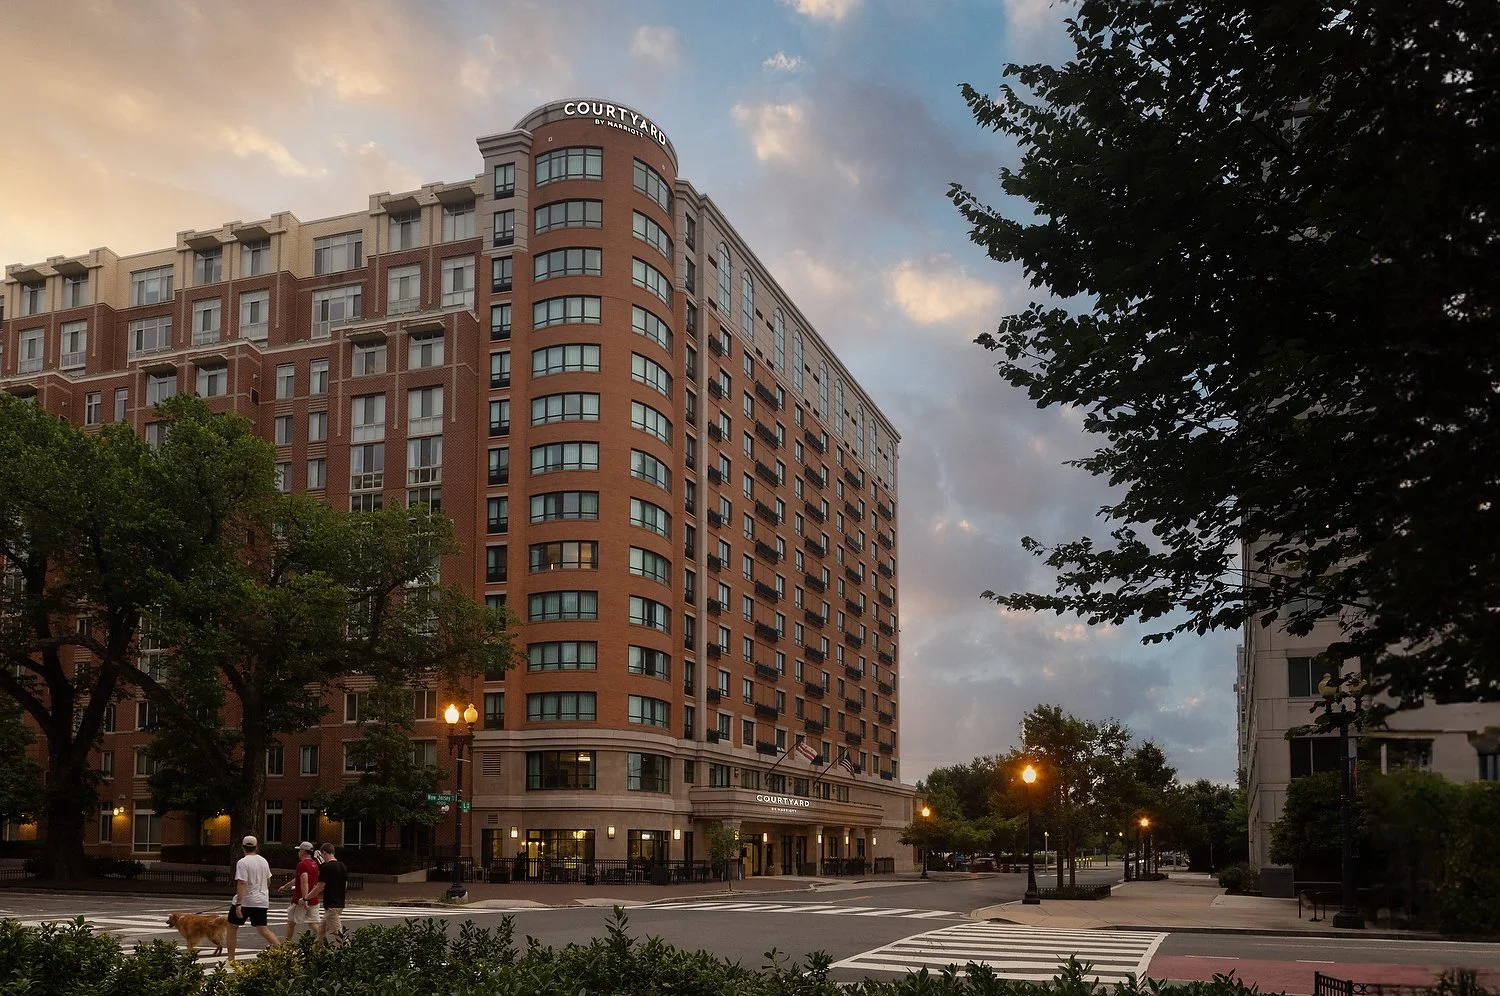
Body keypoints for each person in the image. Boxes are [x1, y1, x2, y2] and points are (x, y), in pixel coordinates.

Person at [226, 835, 280, 962]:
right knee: (263, 929)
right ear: (256, 847)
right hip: (261, 901)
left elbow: (242, 882)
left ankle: (231, 959)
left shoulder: (242, 862)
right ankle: (282, 951)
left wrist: (239, 903)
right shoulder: (263, 861)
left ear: (243, 847)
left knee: (232, 928)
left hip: (245, 901)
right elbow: (268, 881)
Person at [276, 841, 321, 943]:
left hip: (300, 899)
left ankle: (287, 944)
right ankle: (321, 940)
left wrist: (305, 898)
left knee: (291, 922)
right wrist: (285, 886)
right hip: (313, 898)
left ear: (303, 851)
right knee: (313, 922)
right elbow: (298, 879)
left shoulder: (302, 864)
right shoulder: (314, 864)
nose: (298, 852)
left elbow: (304, 881)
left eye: (299, 850)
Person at [308, 841, 348, 947]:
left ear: (325, 853)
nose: (322, 858)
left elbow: (319, 887)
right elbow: (345, 886)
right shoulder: (342, 866)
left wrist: (306, 897)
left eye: (322, 855)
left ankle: (349, 951)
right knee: (321, 931)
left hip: (331, 905)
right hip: (339, 903)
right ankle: (315, 952)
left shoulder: (327, 867)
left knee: (338, 933)